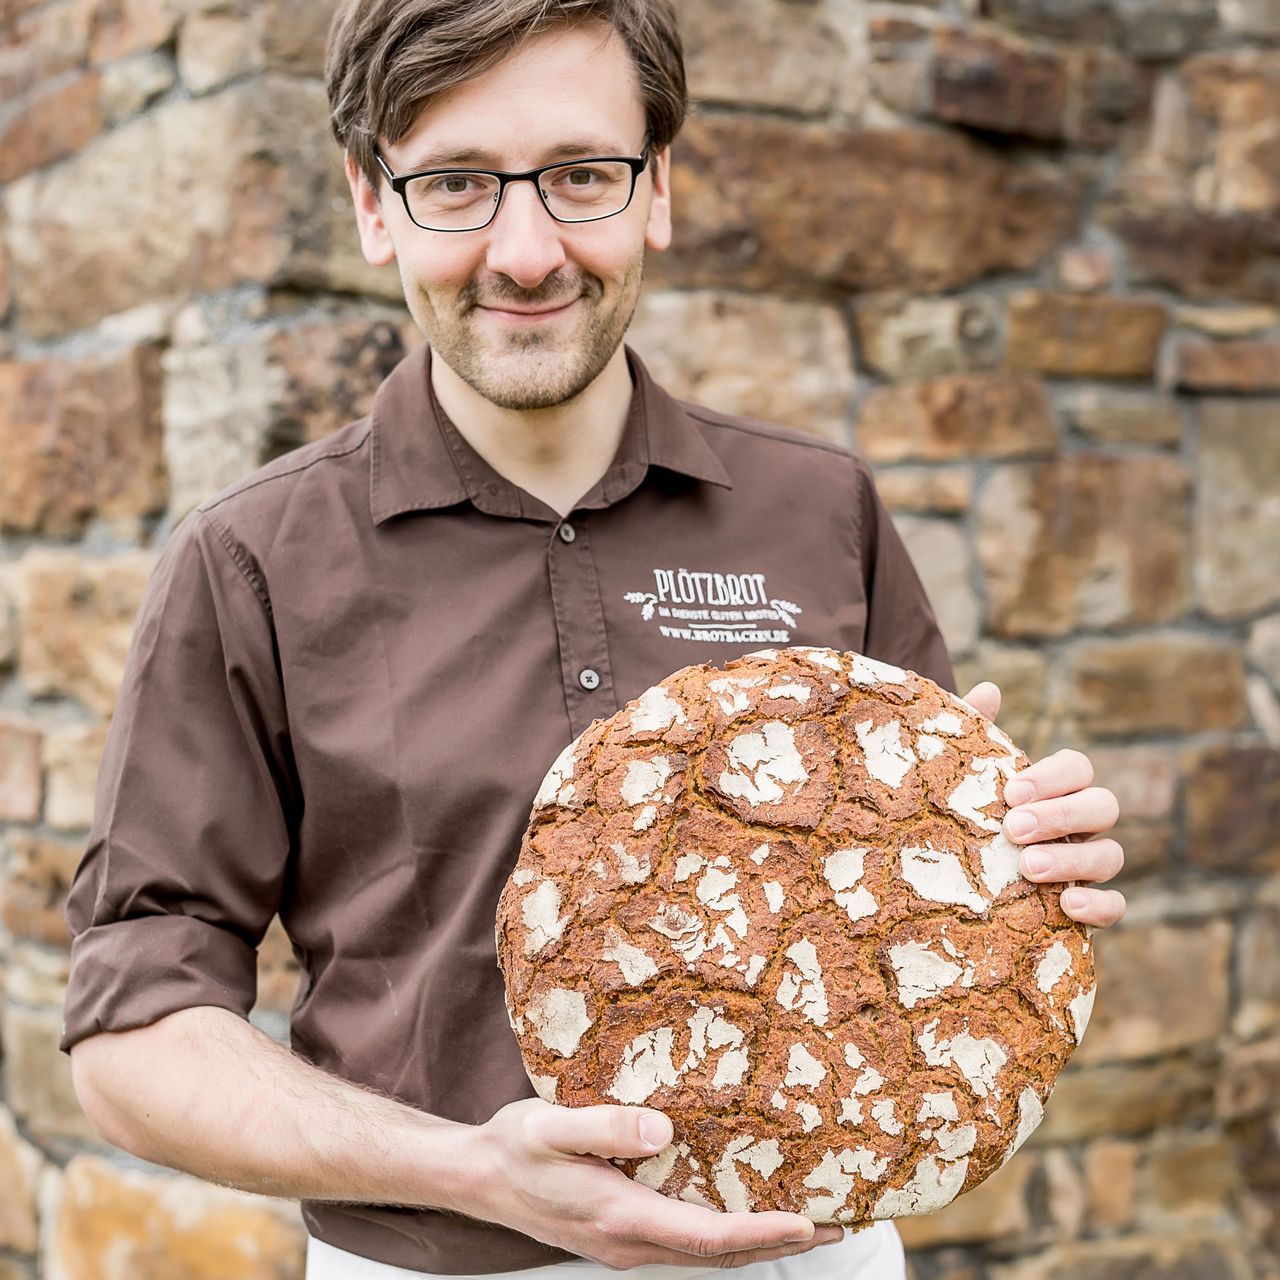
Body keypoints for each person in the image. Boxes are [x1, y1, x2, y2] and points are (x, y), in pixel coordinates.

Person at [60, 3, 1127, 1278]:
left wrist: (1023, 864)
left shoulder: (816, 506)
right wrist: (466, 1170)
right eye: (455, 182)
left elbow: (926, 920)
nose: (525, 250)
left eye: (579, 175)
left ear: (655, 189)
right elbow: (131, 1044)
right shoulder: (252, 560)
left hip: (808, 1260)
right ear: (371, 201)